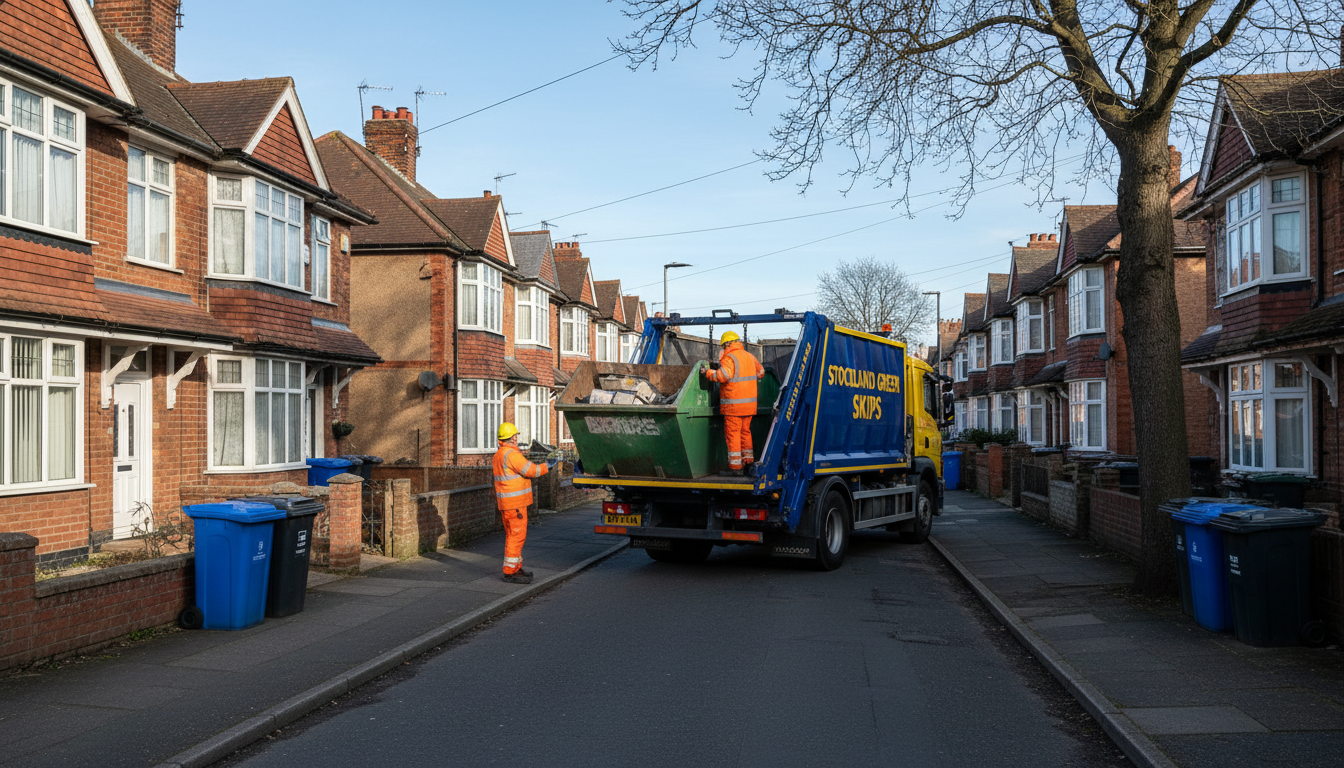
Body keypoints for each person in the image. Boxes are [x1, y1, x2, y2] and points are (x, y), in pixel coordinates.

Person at [492, 422, 558, 584]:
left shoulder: (498, 455)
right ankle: (510, 572)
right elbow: (531, 471)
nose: (516, 439)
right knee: (516, 536)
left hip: (507, 503)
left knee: (513, 536)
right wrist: (548, 465)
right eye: (515, 436)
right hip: (516, 505)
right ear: (512, 438)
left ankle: (515, 568)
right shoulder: (512, 455)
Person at [702, 331, 765, 476]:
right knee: (745, 433)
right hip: (749, 406)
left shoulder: (729, 358)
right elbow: (761, 372)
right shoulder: (750, 356)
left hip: (733, 406)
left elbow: (723, 376)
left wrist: (708, 372)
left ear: (726, 344)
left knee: (733, 435)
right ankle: (748, 464)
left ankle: (736, 469)